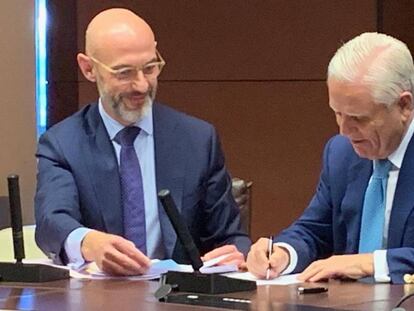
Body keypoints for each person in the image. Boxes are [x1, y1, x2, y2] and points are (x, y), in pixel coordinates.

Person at [34, 8, 250, 276]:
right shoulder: (62, 144)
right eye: (124, 73)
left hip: (179, 298)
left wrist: (235, 252)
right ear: (88, 68)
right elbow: (51, 222)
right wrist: (89, 242)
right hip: (99, 297)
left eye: (149, 68)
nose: (141, 86)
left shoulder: (197, 140)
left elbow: (231, 237)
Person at [247, 32, 414, 284]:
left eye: (358, 118)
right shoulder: (342, 153)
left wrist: (372, 262)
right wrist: (283, 252)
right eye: (337, 113)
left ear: (404, 106)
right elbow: (315, 230)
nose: (344, 130)